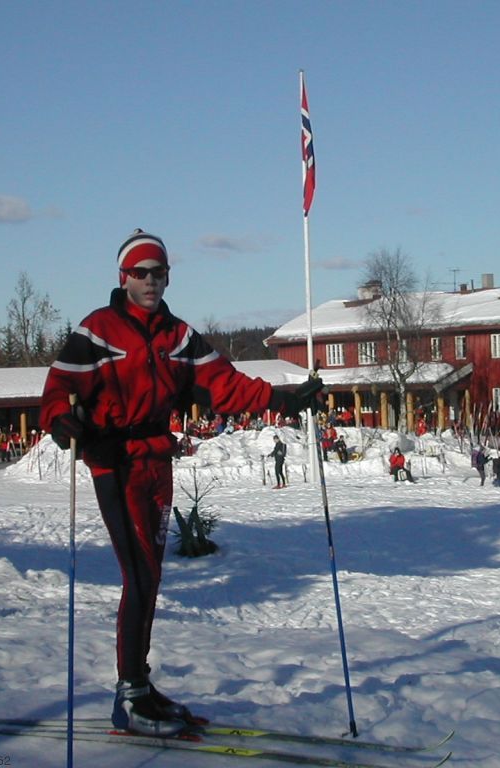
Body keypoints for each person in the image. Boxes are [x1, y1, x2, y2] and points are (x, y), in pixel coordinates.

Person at [40, 228, 321, 737]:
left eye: (160, 273)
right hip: (114, 462)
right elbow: (60, 385)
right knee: (140, 576)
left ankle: (139, 685)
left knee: (151, 575)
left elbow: (226, 385)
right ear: (123, 277)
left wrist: (283, 399)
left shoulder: (180, 337)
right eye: (141, 273)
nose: (151, 282)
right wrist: (61, 419)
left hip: (156, 462)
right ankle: (129, 696)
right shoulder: (98, 331)